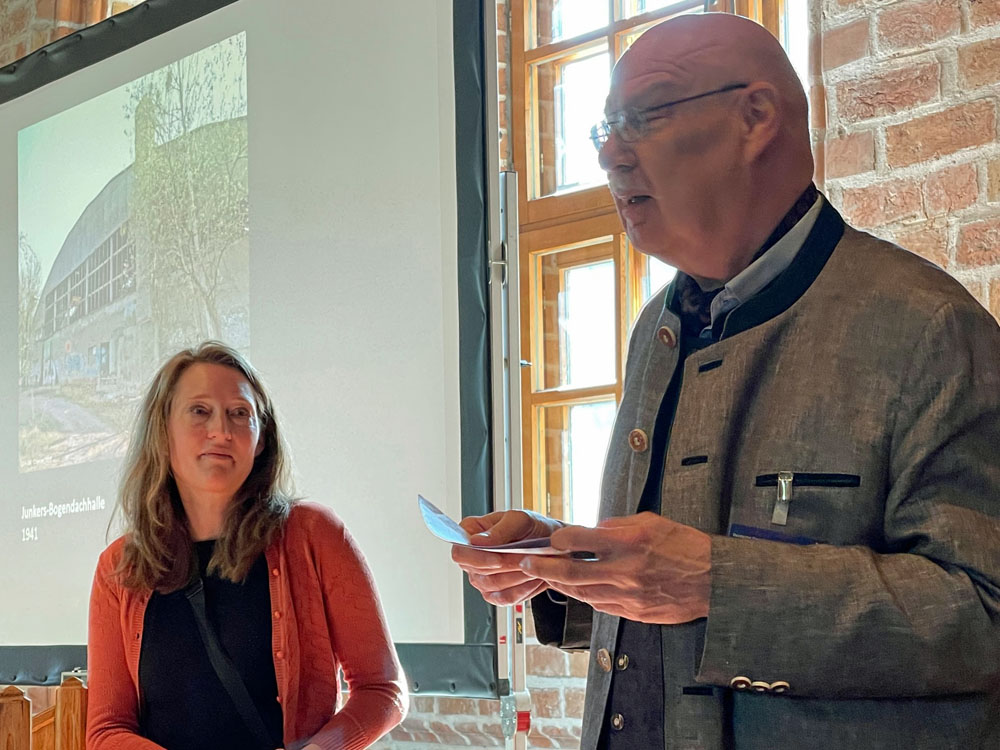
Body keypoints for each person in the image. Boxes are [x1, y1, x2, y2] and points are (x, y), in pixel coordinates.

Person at [452, 12, 1000, 750]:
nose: (610, 154)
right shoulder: (656, 327)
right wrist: (560, 561)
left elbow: (985, 611)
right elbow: (669, 588)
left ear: (755, 119)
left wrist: (718, 584)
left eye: (642, 119)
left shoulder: (927, 328)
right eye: (604, 129)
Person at [87, 341, 407, 750]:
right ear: (162, 433)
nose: (221, 431)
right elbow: (107, 730)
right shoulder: (119, 566)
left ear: (260, 439)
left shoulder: (314, 535)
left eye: (240, 413)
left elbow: (383, 690)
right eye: (199, 411)